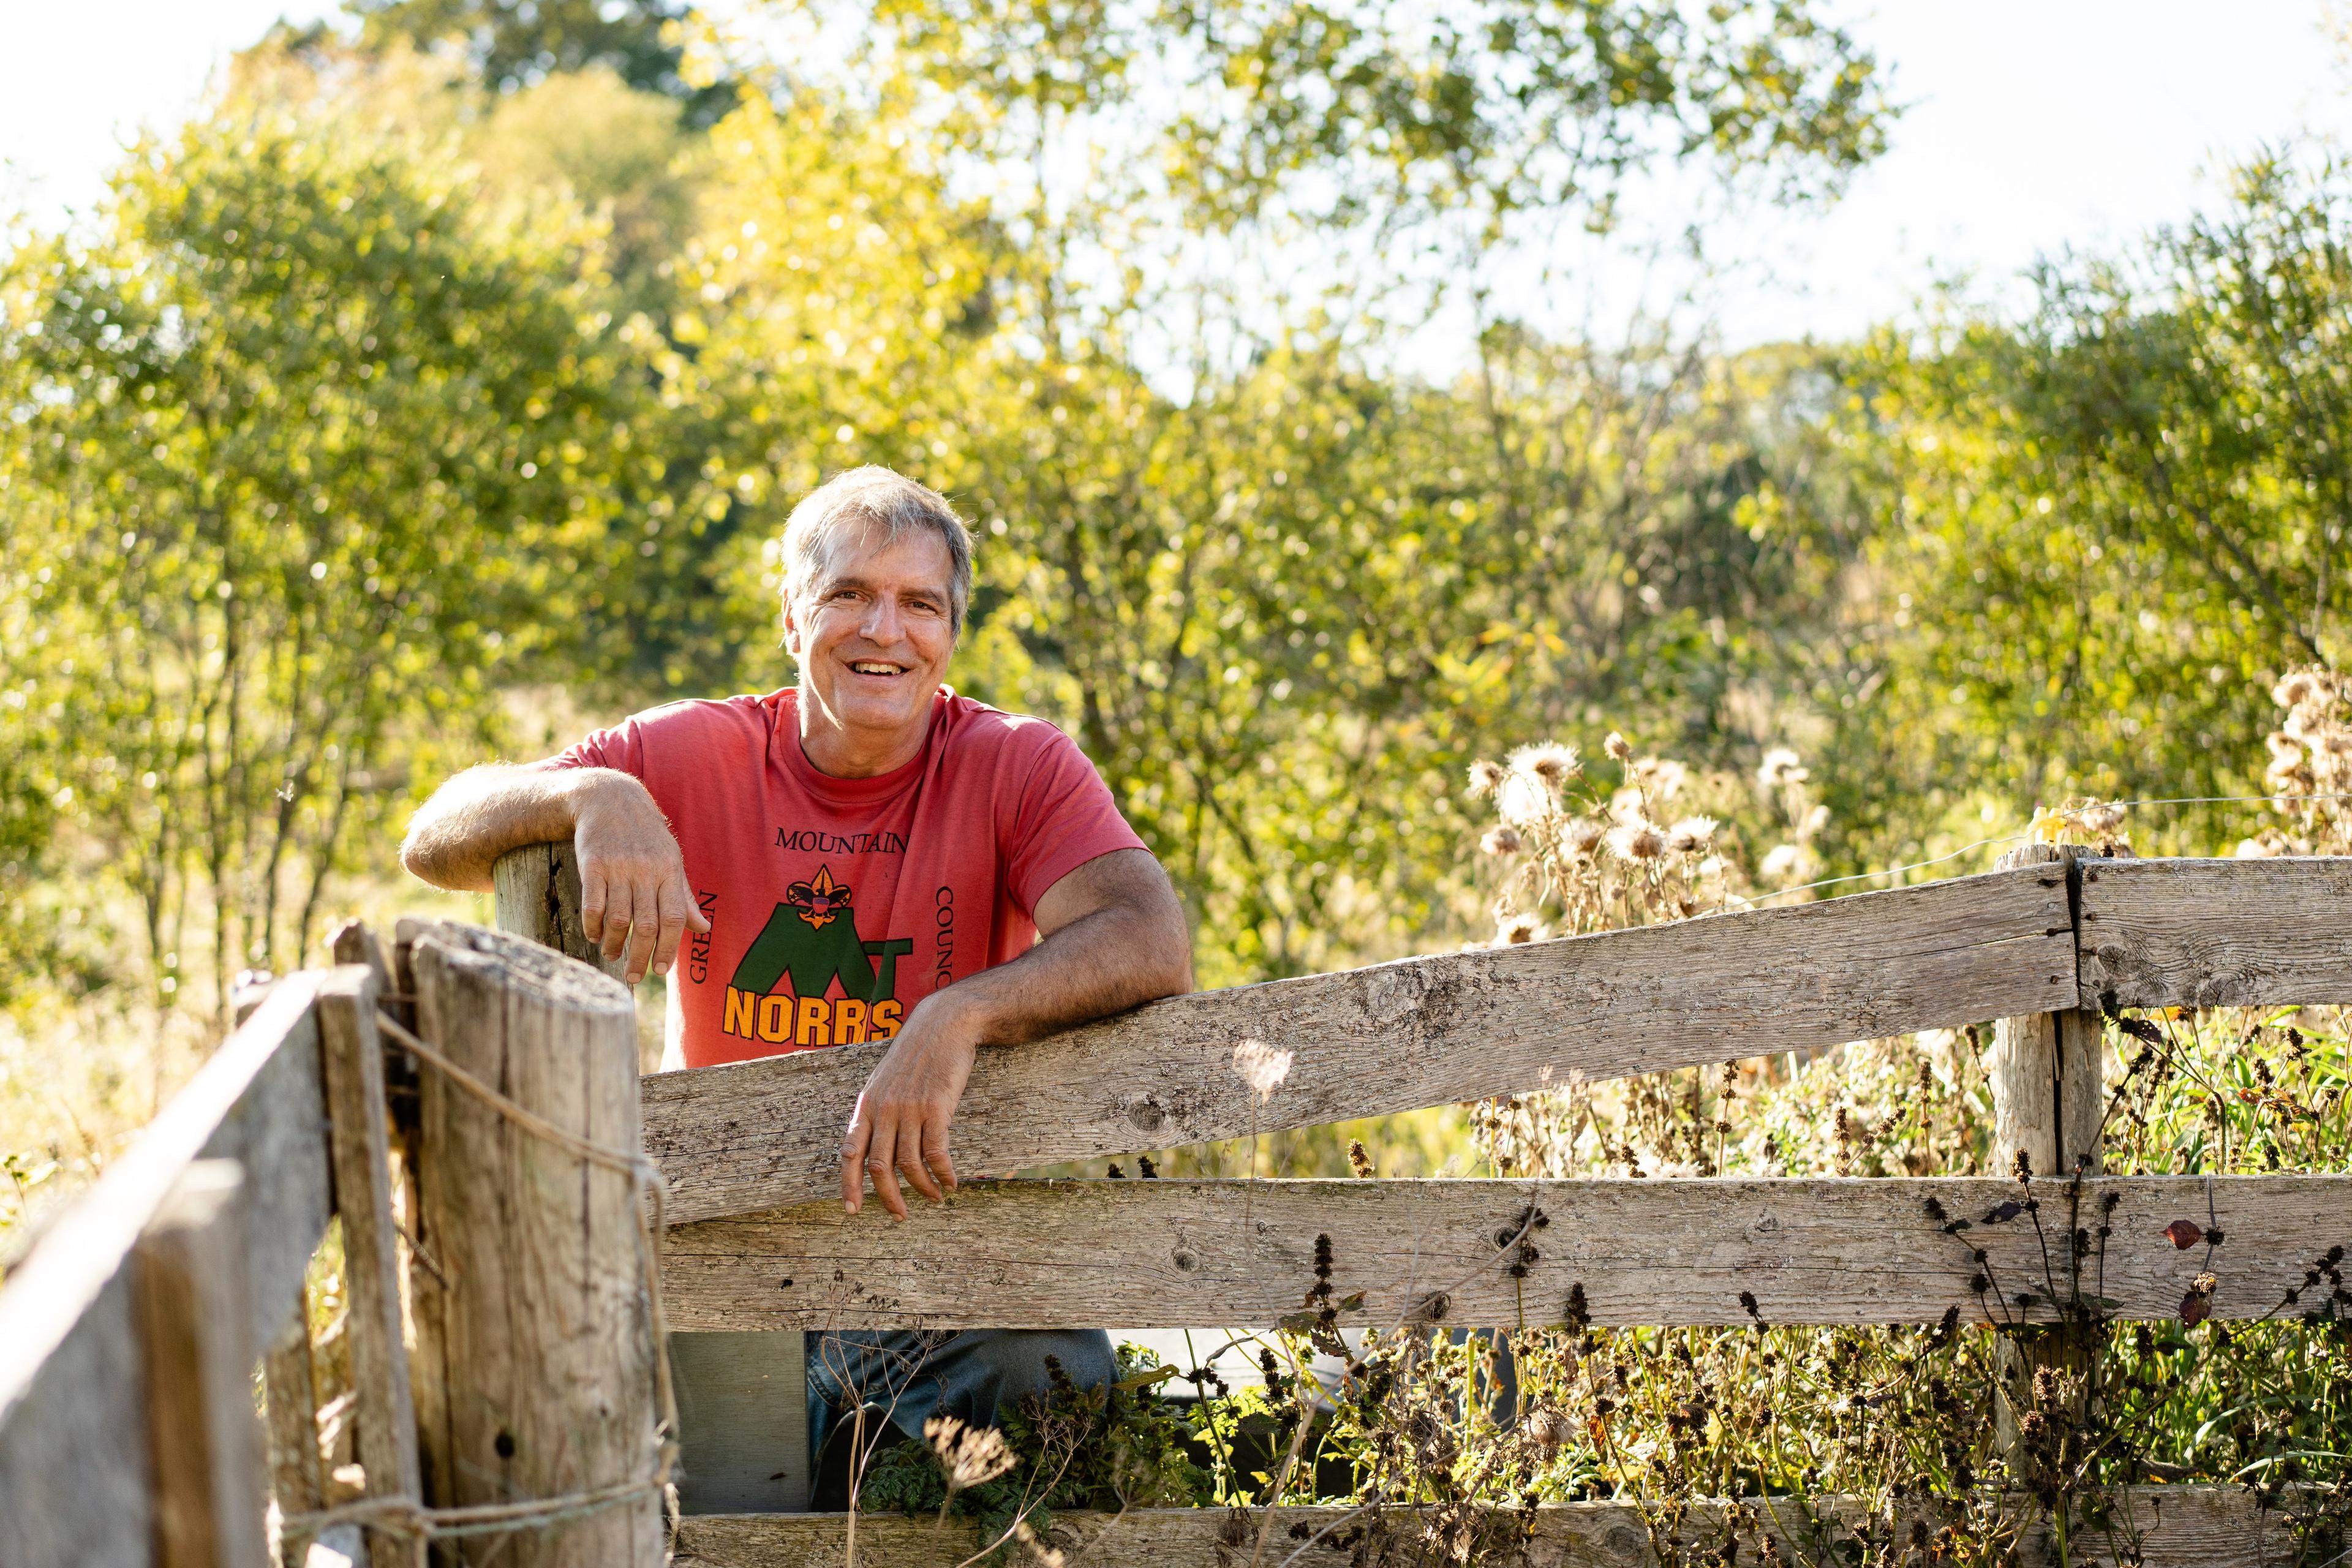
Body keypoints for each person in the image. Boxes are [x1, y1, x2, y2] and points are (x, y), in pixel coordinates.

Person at [399, 465, 1194, 1506]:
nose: (886, 630)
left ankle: (892, 1499)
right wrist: (594, 791)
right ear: (792, 615)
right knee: (636, 1455)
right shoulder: (692, 752)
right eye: (849, 595)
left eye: (920, 604)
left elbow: (1149, 936)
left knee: (1047, 1380)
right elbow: (432, 838)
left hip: (929, 1260)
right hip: (725, 1239)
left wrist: (958, 1013)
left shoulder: (1015, 763)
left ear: (952, 631)